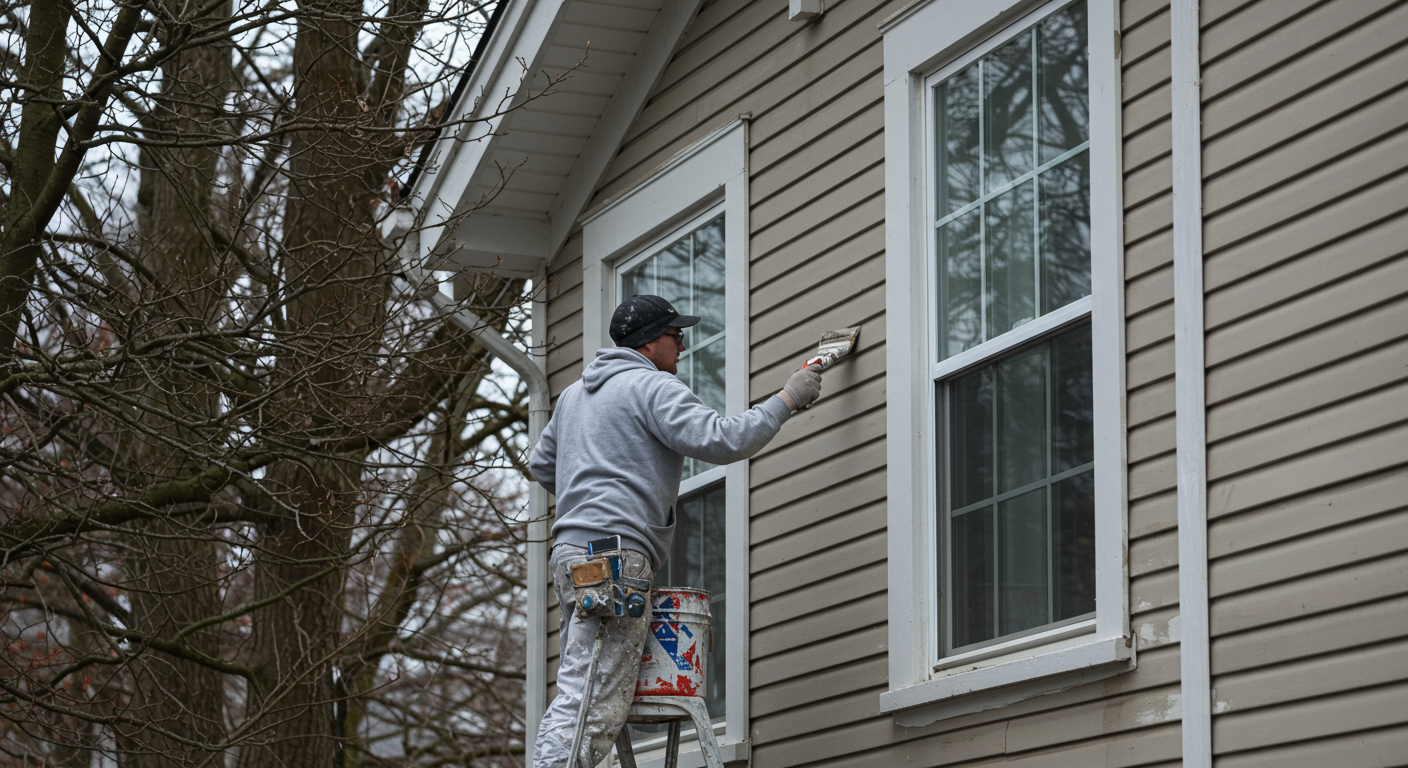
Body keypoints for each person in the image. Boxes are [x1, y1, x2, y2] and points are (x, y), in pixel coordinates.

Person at [529, 294, 823, 768]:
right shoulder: (653, 387)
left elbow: (542, 464)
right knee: (591, 700)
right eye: (676, 335)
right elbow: (724, 439)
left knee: (581, 682)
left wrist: (592, 492)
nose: (682, 345)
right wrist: (786, 399)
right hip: (614, 560)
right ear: (649, 342)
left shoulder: (574, 397)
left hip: (572, 556)